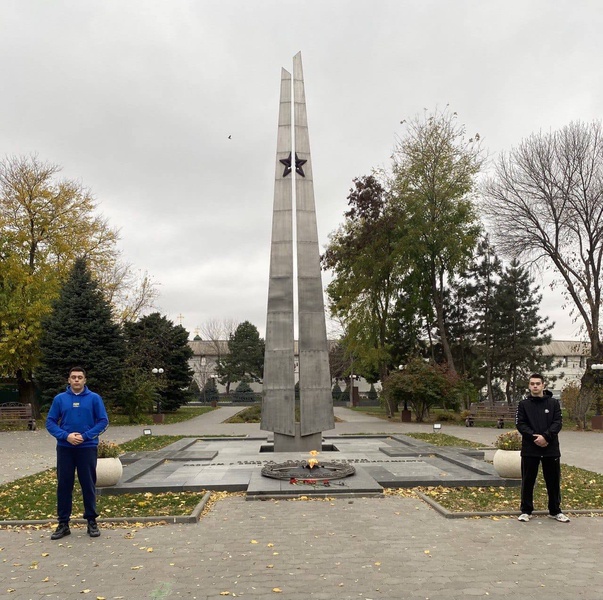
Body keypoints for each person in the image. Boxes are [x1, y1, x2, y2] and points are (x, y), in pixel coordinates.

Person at [46, 367, 109, 539]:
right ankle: (63, 524)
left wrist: (85, 436)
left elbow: (103, 421)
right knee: (64, 485)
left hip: (86, 448)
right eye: (73, 377)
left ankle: (91, 522)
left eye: (79, 377)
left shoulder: (94, 399)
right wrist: (66, 436)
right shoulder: (60, 399)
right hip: (65, 448)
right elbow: (50, 422)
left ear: (84, 380)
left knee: (88, 484)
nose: (76, 380)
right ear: (68, 380)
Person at [515, 373, 569, 523]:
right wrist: (535, 438)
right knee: (528, 480)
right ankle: (526, 511)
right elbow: (520, 424)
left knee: (553, 480)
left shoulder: (553, 403)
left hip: (550, 449)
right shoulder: (523, 404)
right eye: (532, 383)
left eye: (538, 383)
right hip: (530, 449)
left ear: (543, 385)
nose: (535, 386)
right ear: (529, 386)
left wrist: (546, 437)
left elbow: (557, 422)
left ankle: (555, 510)